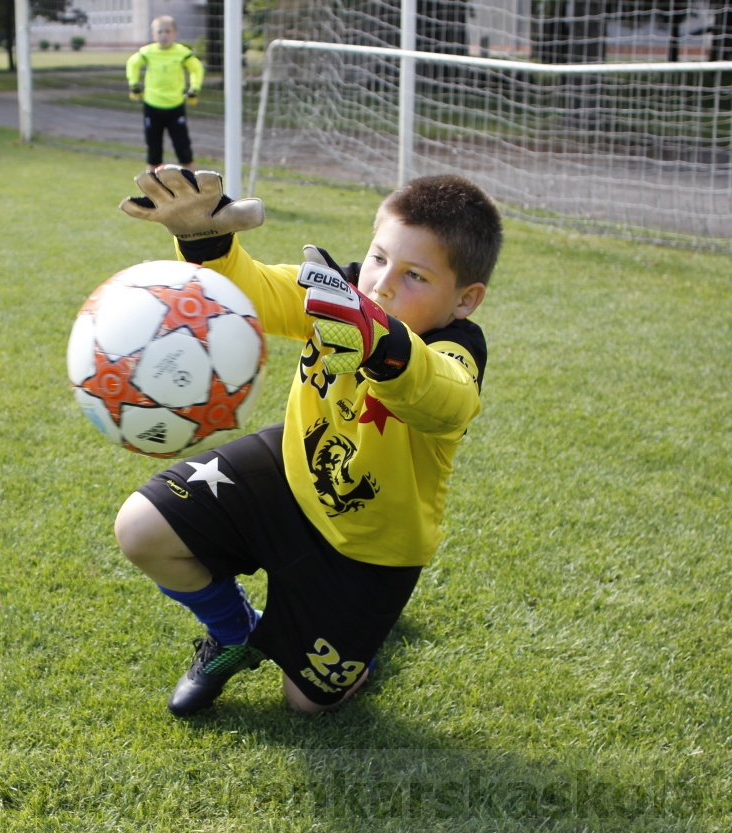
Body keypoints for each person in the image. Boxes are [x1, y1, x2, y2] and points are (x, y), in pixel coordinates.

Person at [115, 167, 503, 716]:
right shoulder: (336, 292)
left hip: (370, 546)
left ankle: (362, 641)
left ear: (466, 299)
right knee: (140, 529)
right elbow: (257, 291)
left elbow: (446, 398)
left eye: (415, 275)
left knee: (308, 706)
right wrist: (207, 244)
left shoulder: (455, 349)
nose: (382, 284)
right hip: (290, 474)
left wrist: (378, 340)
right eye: (378, 257)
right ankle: (234, 635)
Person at [125, 17, 205, 172]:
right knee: (154, 150)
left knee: (183, 148)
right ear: (153, 34)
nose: (164, 35)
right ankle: (151, 189)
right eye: (160, 31)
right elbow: (132, 64)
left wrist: (195, 88)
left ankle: (194, 188)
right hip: (152, 105)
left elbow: (197, 68)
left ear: (174, 33)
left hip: (175, 106)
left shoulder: (182, 52)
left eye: (167, 31)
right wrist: (133, 84)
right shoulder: (147, 52)